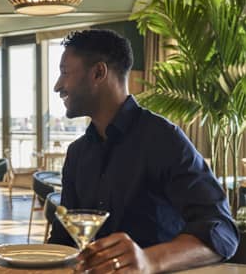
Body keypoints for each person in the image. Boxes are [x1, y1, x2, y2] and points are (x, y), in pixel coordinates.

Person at [48, 29, 239, 273]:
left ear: (98, 72)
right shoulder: (77, 153)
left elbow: (222, 230)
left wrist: (150, 260)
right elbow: (62, 241)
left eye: (65, 72)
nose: (58, 86)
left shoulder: (163, 139)